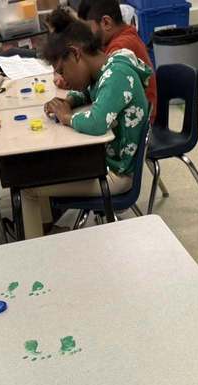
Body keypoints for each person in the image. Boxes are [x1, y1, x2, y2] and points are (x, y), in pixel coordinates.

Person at [21, 10, 151, 239]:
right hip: (105, 162)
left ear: (75, 54)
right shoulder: (107, 68)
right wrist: (69, 100)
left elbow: (98, 121)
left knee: (29, 189)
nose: (62, 79)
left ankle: (38, 247)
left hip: (116, 175)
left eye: (62, 70)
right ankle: (49, 230)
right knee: (37, 170)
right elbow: (92, 93)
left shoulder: (117, 74)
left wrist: (67, 117)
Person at [76, 0, 156, 121]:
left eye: (87, 30)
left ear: (106, 22)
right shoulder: (119, 37)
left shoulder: (121, 47)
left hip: (143, 123)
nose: (86, 37)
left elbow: (102, 86)